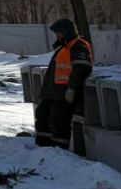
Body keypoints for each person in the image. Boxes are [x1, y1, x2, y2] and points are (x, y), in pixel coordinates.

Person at [35, 17, 94, 152]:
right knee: (42, 116)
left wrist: (72, 89)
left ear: (66, 32)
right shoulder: (64, 46)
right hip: (52, 92)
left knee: (59, 122)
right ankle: (42, 149)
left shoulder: (78, 45)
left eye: (59, 32)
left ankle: (59, 152)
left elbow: (82, 67)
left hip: (64, 93)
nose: (57, 35)